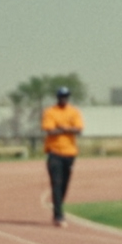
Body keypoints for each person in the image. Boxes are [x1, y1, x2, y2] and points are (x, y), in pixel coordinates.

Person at [41, 87, 84, 227]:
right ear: (57, 97)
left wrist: (62, 128)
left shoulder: (74, 111)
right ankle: (59, 215)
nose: (63, 99)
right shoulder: (50, 112)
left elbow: (79, 129)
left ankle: (57, 207)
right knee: (56, 183)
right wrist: (68, 129)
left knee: (65, 184)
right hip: (54, 152)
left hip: (70, 153)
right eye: (61, 96)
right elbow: (50, 130)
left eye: (66, 96)